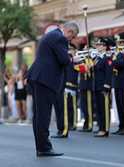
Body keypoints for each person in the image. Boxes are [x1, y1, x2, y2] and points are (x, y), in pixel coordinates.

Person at [27, 21, 80, 157]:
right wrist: (73, 59)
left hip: (37, 77)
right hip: (45, 79)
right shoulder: (60, 38)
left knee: (38, 115)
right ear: (69, 32)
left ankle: (41, 146)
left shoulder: (52, 35)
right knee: (43, 115)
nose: (71, 40)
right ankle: (44, 148)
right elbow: (63, 60)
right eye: (72, 36)